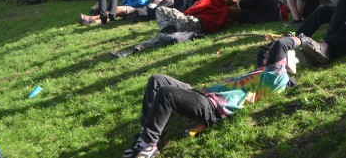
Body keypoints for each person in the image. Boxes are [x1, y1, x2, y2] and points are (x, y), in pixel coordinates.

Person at [120, 35, 300, 158]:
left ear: (283, 63)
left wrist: (301, 40)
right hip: (205, 95)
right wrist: (273, 41)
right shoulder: (263, 73)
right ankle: (147, 137)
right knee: (157, 80)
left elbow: (281, 45)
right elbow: (267, 52)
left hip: (213, 108)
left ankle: (148, 146)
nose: (269, 53)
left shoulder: (276, 79)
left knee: (166, 93)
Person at [155, 0, 228, 34]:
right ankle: (169, 31)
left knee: (160, 9)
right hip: (203, 28)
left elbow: (198, 7)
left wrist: (184, 13)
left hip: (194, 22)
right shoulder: (223, 2)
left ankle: (168, 31)